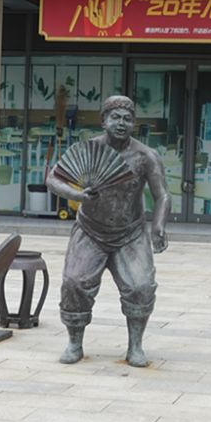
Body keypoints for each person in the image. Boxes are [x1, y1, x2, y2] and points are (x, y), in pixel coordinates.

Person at [46, 95, 171, 367]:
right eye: (115, 117)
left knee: (141, 286)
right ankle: (74, 343)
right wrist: (76, 195)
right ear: (103, 121)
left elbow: (162, 195)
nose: (121, 123)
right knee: (74, 283)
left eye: (127, 119)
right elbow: (53, 178)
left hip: (130, 233)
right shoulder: (89, 149)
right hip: (90, 230)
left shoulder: (146, 156)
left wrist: (158, 226)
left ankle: (135, 346)